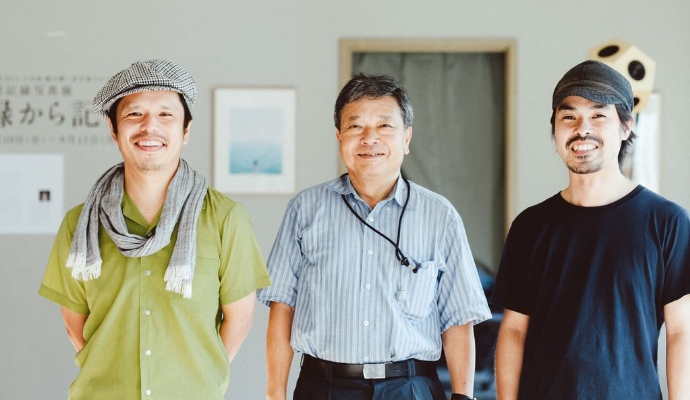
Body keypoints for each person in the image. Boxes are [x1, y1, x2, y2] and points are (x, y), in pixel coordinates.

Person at [38, 59, 271, 400]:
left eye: (166, 114)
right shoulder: (80, 223)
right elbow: (75, 325)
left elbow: (240, 319)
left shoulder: (225, 217)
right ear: (113, 129)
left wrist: (198, 377)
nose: (150, 127)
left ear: (186, 130)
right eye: (135, 114)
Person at [257, 73, 491, 400]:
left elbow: (458, 320)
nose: (370, 138)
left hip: (410, 388)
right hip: (323, 387)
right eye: (355, 126)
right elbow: (282, 308)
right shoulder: (305, 209)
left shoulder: (440, 216)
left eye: (384, 125)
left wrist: (463, 396)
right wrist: (275, 394)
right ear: (339, 137)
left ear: (406, 138)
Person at [492, 60, 690, 399]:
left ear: (626, 126)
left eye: (598, 115)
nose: (582, 129)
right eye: (569, 117)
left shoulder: (667, 222)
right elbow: (514, 330)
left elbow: (680, 331)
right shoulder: (530, 226)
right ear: (555, 130)